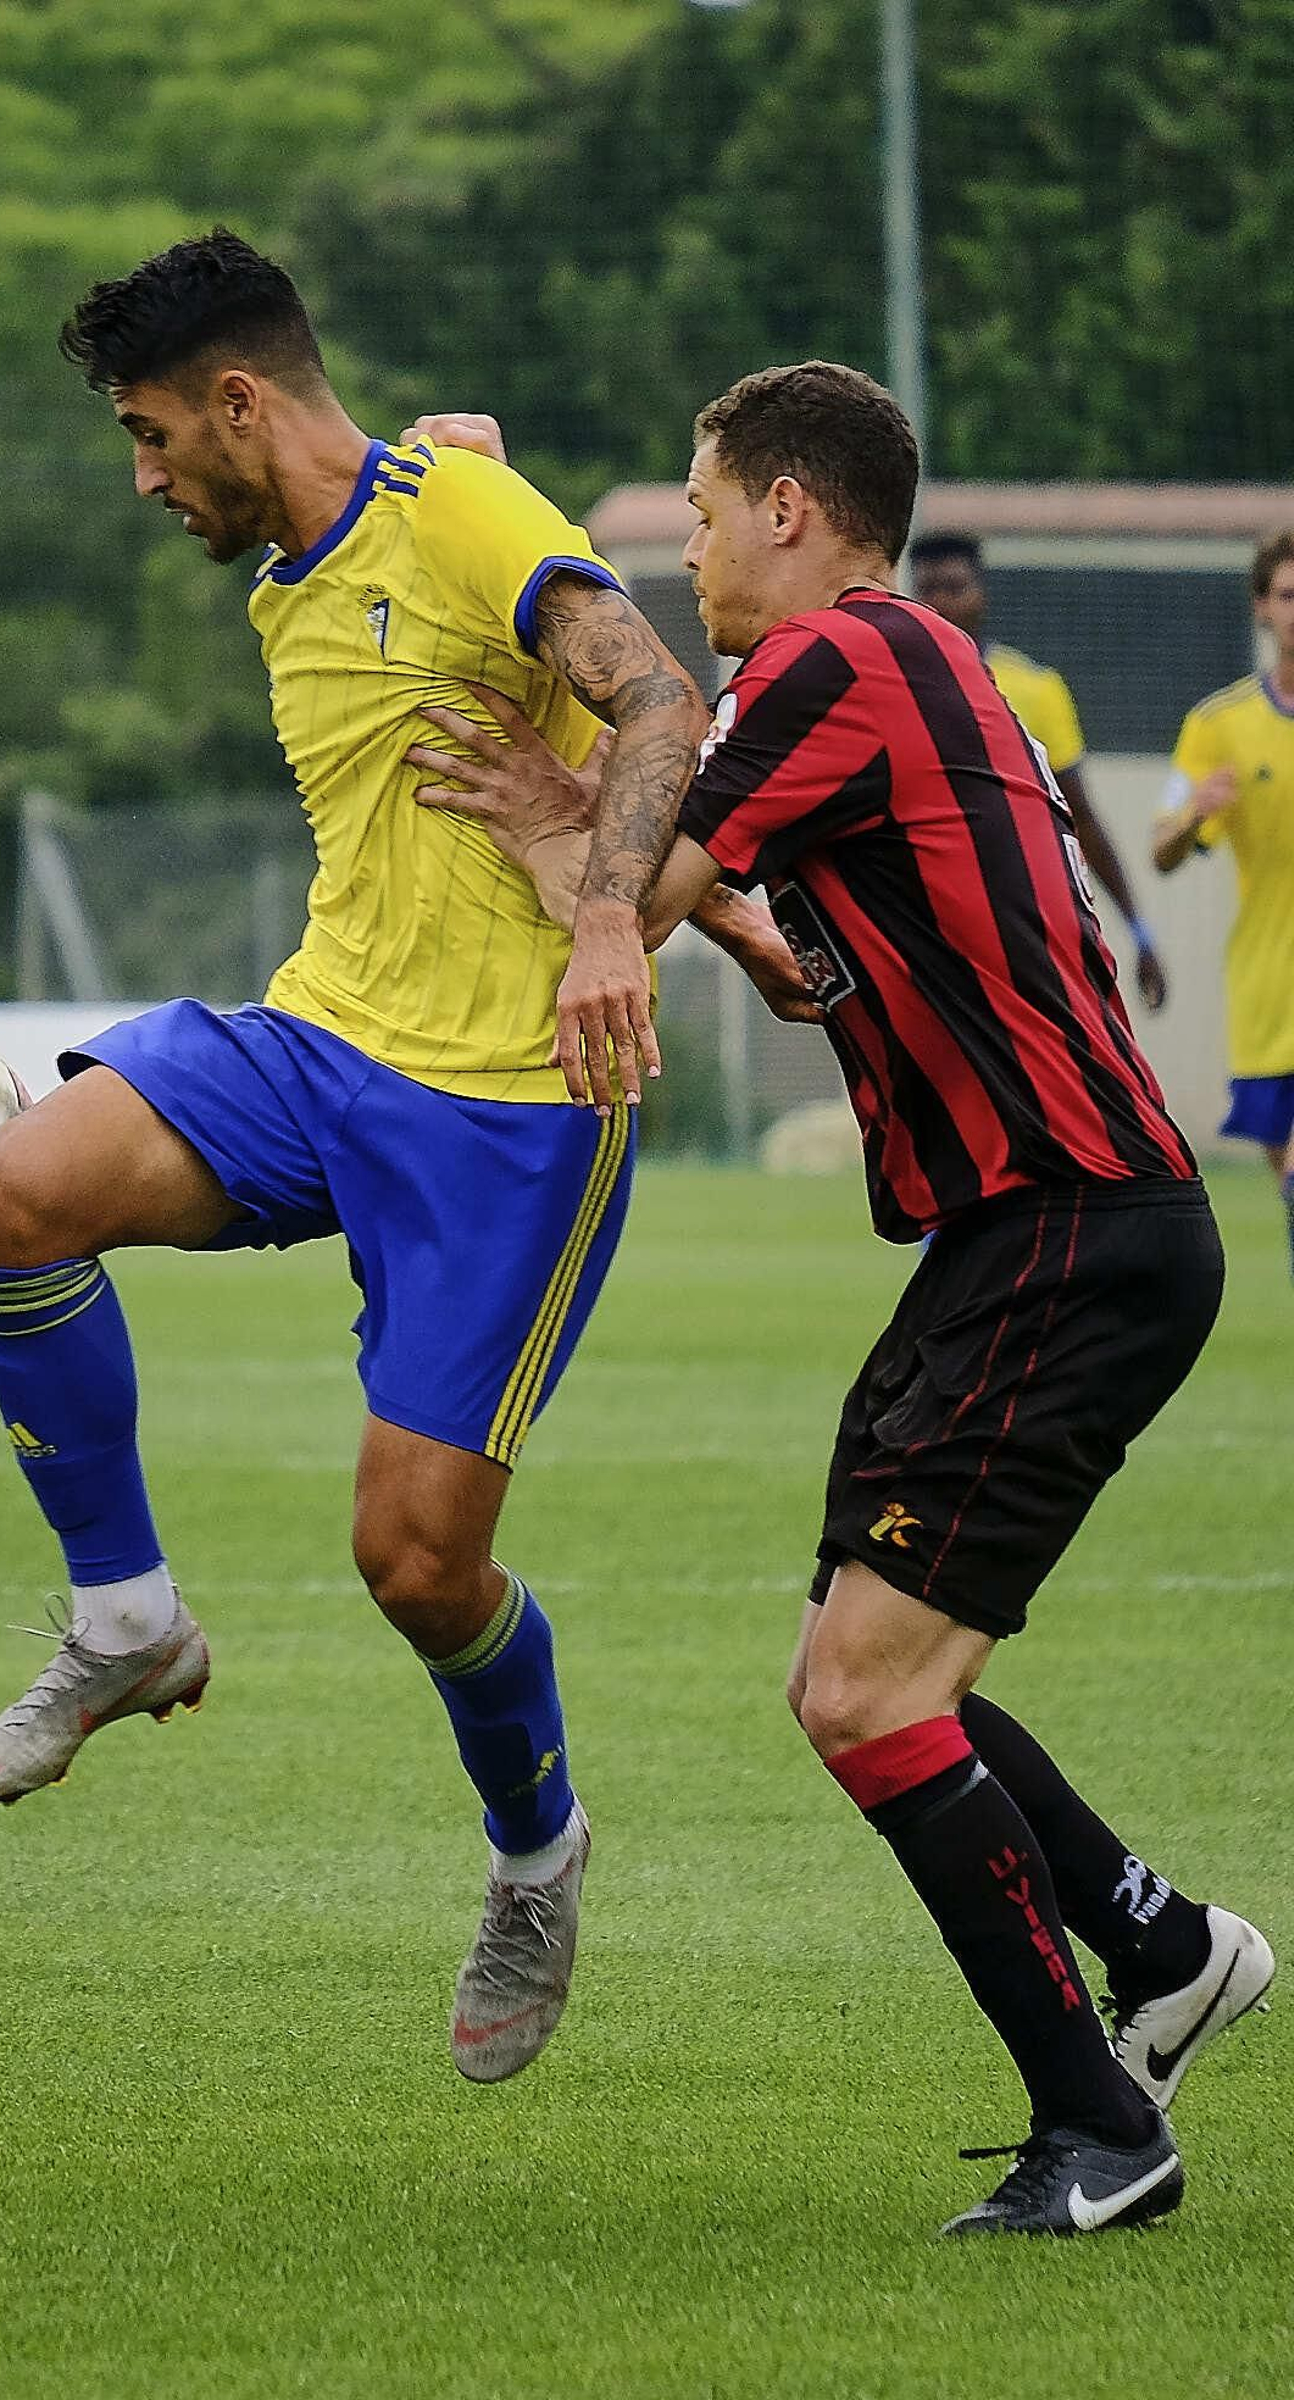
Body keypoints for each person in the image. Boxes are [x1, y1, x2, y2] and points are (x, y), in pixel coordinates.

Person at [404, 370, 1272, 2238]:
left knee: (874, 1698)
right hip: (1032, 1238)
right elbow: (797, 963)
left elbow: (642, 851)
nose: (695, 550)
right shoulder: (908, 672)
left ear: (792, 509)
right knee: (866, 1680)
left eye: (705, 514)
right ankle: (1166, 1944)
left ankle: (1104, 2134)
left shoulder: (831, 661)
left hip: (1066, 1229)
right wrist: (610, 834)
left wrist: (501, 546)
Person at [0, 226, 809, 2088]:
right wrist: (716, 914)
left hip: (511, 1108)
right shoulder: (310, 556)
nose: (147, 474)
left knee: (416, 1567)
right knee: (12, 1196)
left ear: (243, 401)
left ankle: (536, 1853)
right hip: (321, 1042)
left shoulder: (471, 514)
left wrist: (615, 927)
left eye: (157, 433)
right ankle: (126, 1622)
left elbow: (662, 701)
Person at [908, 532, 1167, 1013]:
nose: (940, 603)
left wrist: (1139, 932)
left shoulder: (1034, 688)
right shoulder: (892, 686)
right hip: (926, 931)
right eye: (928, 589)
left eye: (954, 587)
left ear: (982, 594)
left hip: (1022, 930)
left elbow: (1081, 818)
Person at [1153, 528, 1294, 1278]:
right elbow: (1162, 848)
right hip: (1269, 987)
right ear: (1262, 609)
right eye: (1287, 595)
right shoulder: (1220, 725)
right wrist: (1193, 815)